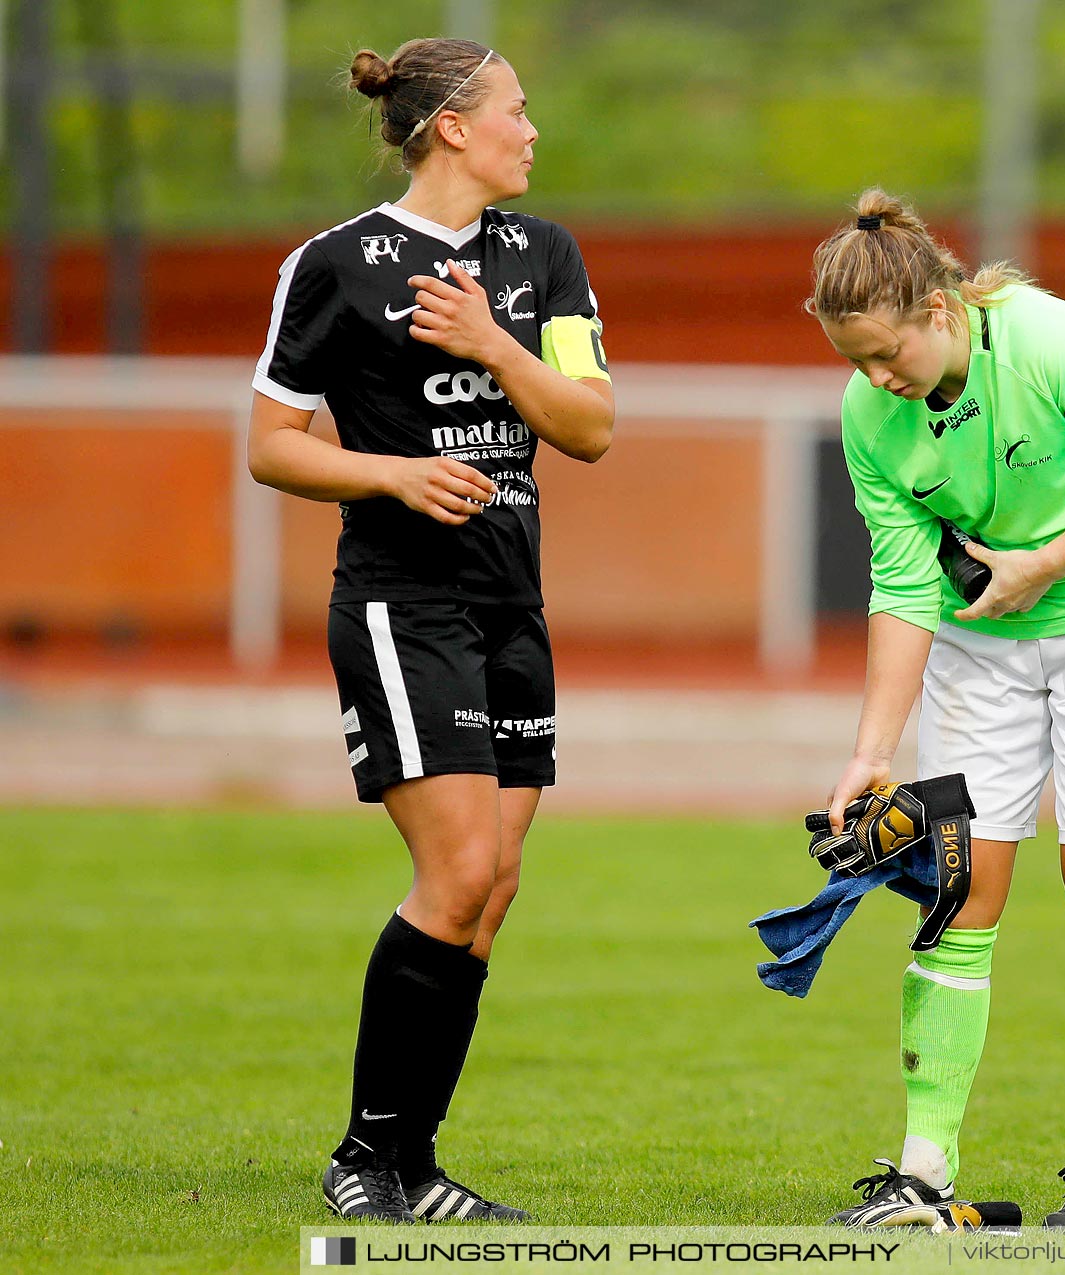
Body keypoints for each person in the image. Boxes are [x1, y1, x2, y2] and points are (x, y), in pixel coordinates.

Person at [247, 38, 614, 1224]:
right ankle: (365, 1159)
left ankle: (410, 1168)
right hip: (405, 604)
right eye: (517, 107)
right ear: (452, 125)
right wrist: (396, 477)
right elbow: (272, 444)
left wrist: (492, 345)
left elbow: (593, 426)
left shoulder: (543, 255)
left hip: (514, 603)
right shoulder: (337, 264)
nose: (532, 128)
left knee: (492, 888)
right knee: (455, 872)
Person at [807, 190, 1065, 1231]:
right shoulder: (870, 419)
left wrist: (1049, 561)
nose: (875, 379)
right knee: (958, 892)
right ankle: (922, 1170)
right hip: (983, 644)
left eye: (885, 354)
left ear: (938, 310)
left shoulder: (1047, 341)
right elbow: (903, 590)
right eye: (855, 361)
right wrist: (870, 752)